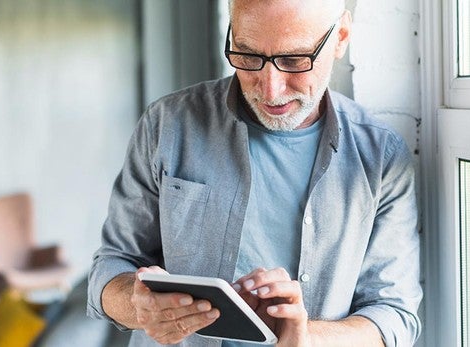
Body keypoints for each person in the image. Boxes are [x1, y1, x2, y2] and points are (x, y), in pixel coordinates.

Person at [87, 0, 422, 346]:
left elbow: (394, 316)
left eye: (294, 60)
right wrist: (135, 303)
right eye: (248, 56)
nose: (270, 89)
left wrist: (306, 339)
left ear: (341, 37)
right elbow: (111, 267)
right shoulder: (166, 125)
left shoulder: (381, 157)